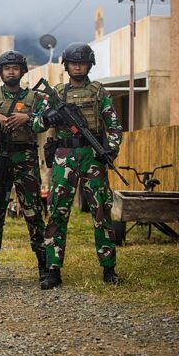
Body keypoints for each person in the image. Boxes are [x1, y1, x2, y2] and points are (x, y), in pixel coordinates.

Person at [40, 42, 123, 289]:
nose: (78, 66)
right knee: (57, 212)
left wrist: (111, 149)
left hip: (92, 155)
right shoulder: (56, 93)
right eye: (73, 63)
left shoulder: (99, 92)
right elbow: (37, 124)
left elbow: (115, 126)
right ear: (66, 65)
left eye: (82, 62)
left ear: (89, 65)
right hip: (64, 154)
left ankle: (109, 268)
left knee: (101, 212)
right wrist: (48, 117)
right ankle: (53, 270)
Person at [0, 50, 49, 284]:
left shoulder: (36, 98)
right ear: (0, 72)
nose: (11, 71)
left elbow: (44, 122)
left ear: (22, 71)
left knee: (33, 211)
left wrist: (27, 118)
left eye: (15, 68)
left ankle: (44, 265)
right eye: (7, 68)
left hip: (25, 158)